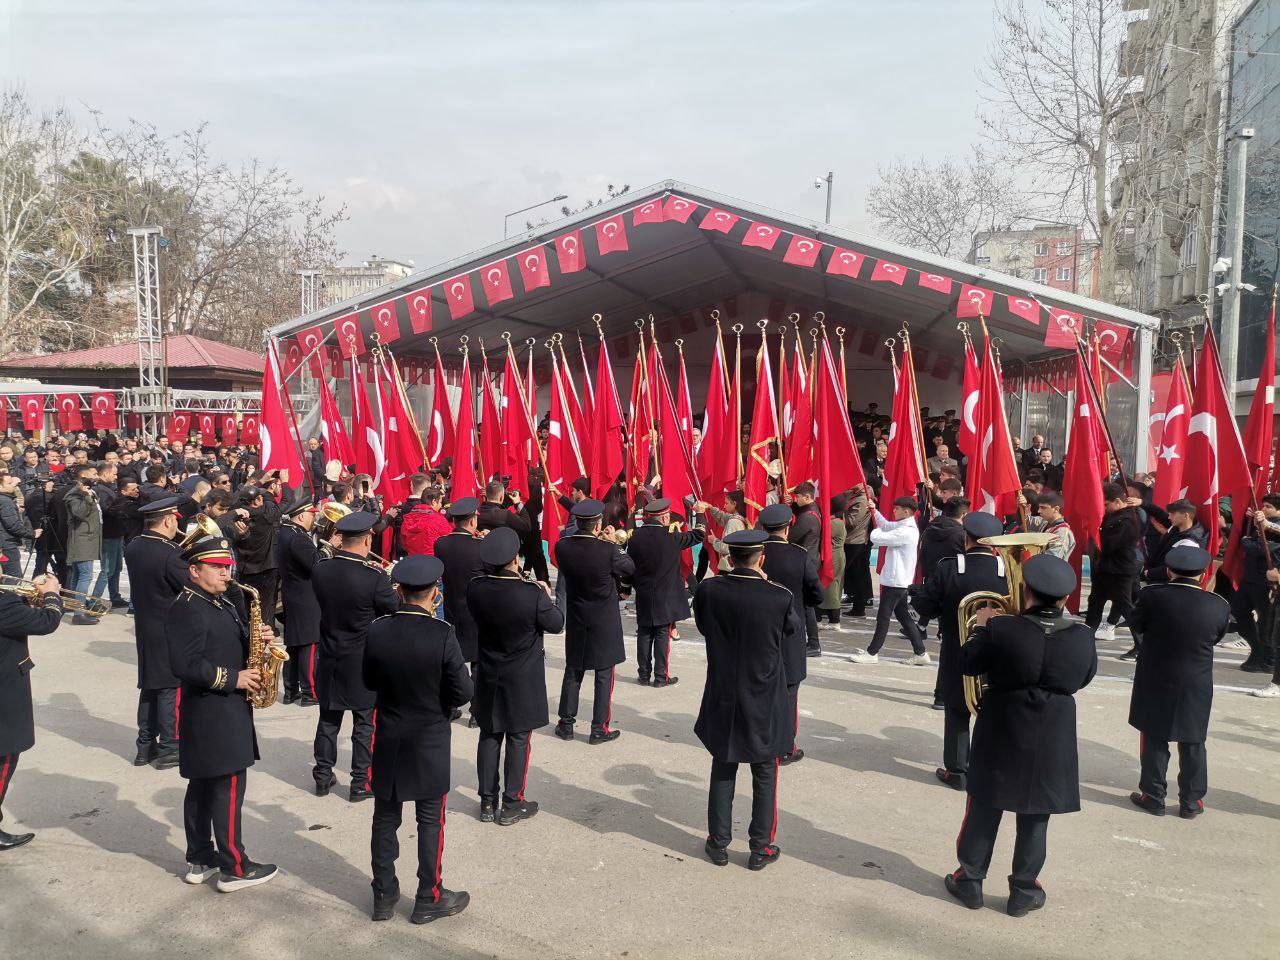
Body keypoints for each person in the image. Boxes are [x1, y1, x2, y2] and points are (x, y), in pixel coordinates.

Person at [945, 553, 1097, 918]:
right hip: (1054, 729)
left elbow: (967, 662)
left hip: (1002, 722)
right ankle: (1024, 890)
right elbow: (1084, 678)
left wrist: (982, 626)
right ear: (1064, 600)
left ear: (1025, 590)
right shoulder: (1082, 636)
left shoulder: (1002, 628)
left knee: (985, 803)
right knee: (1037, 812)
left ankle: (971, 879)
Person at [361, 554, 473, 924]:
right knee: (429, 820)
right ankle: (429, 894)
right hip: (428, 737)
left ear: (399, 590)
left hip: (391, 735)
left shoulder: (378, 628)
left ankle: (383, 892)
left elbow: (369, 681)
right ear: (434, 593)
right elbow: (463, 692)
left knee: (385, 818)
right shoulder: (441, 634)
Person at [167, 535, 278, 893]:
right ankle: (235, 867)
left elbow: (222, 640)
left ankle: (200, 858)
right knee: (228, 786)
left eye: (227, 567)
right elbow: (185, 664)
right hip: (214, 708)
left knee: (202, 784)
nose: (226, 574)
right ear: (195, 570)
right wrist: (235, 678)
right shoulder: (187, 606)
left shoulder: (217, 600)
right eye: (217, 567)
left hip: (217, 708)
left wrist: (254, 637)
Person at [694, 530, 800, 870]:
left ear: (730, 557)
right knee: (765, 770)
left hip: (724, 689)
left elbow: (703, 626)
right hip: (764, 693)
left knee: (723, 765)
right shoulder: (778, 596)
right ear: (761, 558)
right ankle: (760, 847)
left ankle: (718, 841)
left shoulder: (709, 589)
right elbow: (791, 630)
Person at [467, 527, 564, 824]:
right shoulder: (531, 593)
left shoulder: (476, 587)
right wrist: (548, 596)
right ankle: (511, 801)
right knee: (519, 738)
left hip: (488, 671)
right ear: (515, 559)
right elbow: (556, 623)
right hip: (521, 676)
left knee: (490, 734)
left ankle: (486, 801)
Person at [1127, 546, 1229, 819]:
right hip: (1196, 680)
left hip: (1156, 676)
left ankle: (1153, 795)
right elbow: (1216, 636)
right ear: (1203, 573)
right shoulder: (1219, 604)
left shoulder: (1152, 596)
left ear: (1169, 570)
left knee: (1154, 736)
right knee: (1193, 739)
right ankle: (1192, 801)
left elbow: (1135, 623)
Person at [912, 512, 1008, 791]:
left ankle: (957, 771)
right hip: (1001, 649)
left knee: (957, 706)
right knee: (994, 706)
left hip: (958, 646)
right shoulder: (1010, 569)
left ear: (966, 539)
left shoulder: (950, 567)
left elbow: (925, 607)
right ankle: (988, 765)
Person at [310, 511, 399, 800]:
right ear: (367, 539)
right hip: (360, 659)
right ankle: (360, 781)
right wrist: (393, 584)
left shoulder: (322, 568)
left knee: (328, 720)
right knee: (364, 723)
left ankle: (323, 776)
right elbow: (392, 609)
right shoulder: (373, 577)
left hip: (330, 655)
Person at [553, 500, 634, 744]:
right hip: (604, 618)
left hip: (578, 615)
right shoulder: (607, 550)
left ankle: (566, 723)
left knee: (573, 670)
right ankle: (599, 728)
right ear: (598, 523)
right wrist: (613, 543)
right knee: (603, 673)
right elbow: (629, 567)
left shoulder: (562, 547)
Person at [123, 497, 190, 769]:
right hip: (169, 626)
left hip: (146, 624)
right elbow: (191, 584)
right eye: (175, 520)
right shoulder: (170, 552)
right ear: (167, 520)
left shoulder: (135, 545)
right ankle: (171, 747)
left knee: (150, 686)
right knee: (171, 688)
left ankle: (145, 745)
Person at [0, 561, 62, 850]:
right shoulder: (4, 603)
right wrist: (51, 595)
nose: (2, 571)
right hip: (5, 690)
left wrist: (25, 600)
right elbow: (46, 623)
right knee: (6, 756)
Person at [757, 502, 823, 765]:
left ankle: (762, 739)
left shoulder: (755, 551)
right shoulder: (798, 555)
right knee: (789, 689)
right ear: (788, 527)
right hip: (790, 630)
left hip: (760, 629)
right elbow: (816, 594)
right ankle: (785, 747)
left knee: (762, 687)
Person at [626, 497, 705, 687]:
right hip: (665, 595)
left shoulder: (634, 536)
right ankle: (660, 677)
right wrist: (700, 513)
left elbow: (628, 566)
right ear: (664, 518)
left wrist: (625, 587)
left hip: (644, 593)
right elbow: (699, 534)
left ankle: (643, 675)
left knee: (645, 633)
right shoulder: (672, 537)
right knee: (662, 634)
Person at [849, 493, 929, 665]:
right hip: (897, 579)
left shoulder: (906, 532)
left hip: (895, 580)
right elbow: (886, 525)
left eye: (897, 509)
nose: (894, 511)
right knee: (903, 616)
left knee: (883, 617)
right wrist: (874, 511)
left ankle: (872, 653)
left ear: (906, 512)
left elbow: (878, 536)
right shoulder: (904, 526)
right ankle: (920, 653)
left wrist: (873, 526)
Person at [434, 498, 487, 681]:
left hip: (451, 606)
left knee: (453, 657)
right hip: (475, 610)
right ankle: (477, 704)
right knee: (478, 659)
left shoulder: (441, 544)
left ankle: (452, 704)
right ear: (473, 521)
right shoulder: (481, 547)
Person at [276, 496, 322, 706]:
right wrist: (330, 547)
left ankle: (291, 690)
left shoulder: (287, 532)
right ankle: (309, 692)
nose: (314, 518)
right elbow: (315, 563)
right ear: (302, 515)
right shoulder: (298, 537)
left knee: (294, 643)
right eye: (312, 515)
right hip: (305, 596)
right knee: (308, 643)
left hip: (293, 594)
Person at [1085, 483, 1144, 643]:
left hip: (1119, 571)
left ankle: (1141, 644)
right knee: (1095, 604)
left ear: (1118, 501)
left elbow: (1110, 544)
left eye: (1106, 505)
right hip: (1104, 569)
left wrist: (1098, 530)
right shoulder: (1111, 516)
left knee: (1125, 607)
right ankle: (1086, 637)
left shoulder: (1129, 519)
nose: (1103, 508)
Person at [63, 463, 102, 623]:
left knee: (79, 575)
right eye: (93, 474)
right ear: (83, 477)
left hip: (88, 538)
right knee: (85, 575)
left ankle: (76, 607)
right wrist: (86, 496)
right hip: (82, 540)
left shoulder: (90, 492)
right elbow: (79, 513)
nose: (96, 476)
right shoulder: (75, 495)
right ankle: (79, 614)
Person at [1025, 492, 1075, 562]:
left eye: (1043, 508)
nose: (1039, 511)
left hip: (1050, 571)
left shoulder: (1062, 532)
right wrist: (1022, 505)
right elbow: (1024, 522)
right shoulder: (1044, 522)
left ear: (1056, 509)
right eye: (1039, 507)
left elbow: (1051, 559)